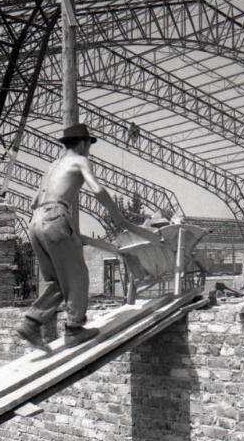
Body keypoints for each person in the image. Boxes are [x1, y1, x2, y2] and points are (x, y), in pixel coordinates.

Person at [16, 123, 157, 352]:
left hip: (35, 221)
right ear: (82, 144)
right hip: (55, 216)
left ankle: (31, 323)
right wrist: (119, 218)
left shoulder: (53, 166)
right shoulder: (80, 160)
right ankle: (74, 329)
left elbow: (34, 202)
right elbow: (97, 190)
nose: (89, 149)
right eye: (89, 144)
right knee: (78, 276)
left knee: (60, 281)